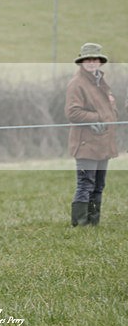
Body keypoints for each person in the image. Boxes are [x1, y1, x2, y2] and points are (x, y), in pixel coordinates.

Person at [65, 43, 118, 227]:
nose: (91, 62)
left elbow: (109, 108)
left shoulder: (100, 81)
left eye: (94, 59)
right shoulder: (77, 83)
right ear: (81, 62)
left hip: (103, 143)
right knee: (85, 184)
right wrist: (99, 117)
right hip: (86, 144)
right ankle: (80, 224)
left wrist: (110, 115)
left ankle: (93, 222)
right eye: (87, 59)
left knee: (98, 185)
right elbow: (72, 113)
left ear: (100, 62)